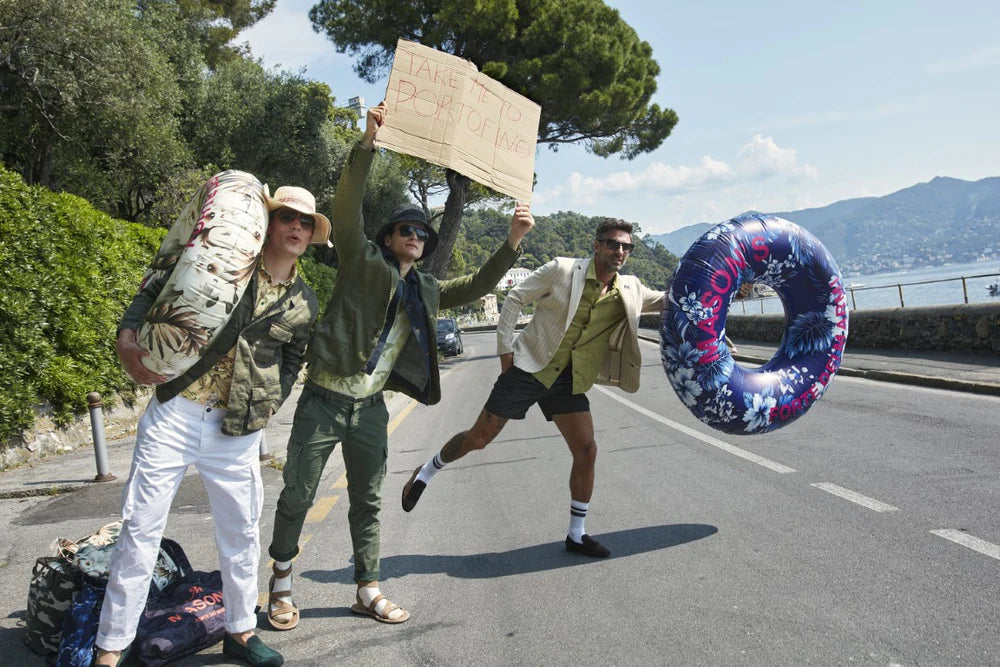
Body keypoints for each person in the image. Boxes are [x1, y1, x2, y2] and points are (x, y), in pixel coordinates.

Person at [266, 101, 534, 628]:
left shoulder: (427, 290)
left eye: (422, 233)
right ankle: (280, 584)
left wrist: (512, 243)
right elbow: (346, 209)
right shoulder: (361, 259)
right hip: (322, 399)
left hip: (369, 410)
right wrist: (367, 144)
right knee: (297, 494)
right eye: (406, 229)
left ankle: (366, 588)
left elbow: (480, 286)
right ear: (389, 238)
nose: (416, 235)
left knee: (367, 500)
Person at [94, 185, 327, 667]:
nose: (297, 228)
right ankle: (110, 647)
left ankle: (240, 634)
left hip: (237, 429)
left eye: (306, 223)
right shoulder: (226, 262)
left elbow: (293, 359)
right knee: (139, 528)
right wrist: (127, 330)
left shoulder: (305, 301)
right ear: (269, 222)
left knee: (241, 533)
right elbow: (160, 283)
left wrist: (268, 404)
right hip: (177, 410)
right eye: (288, 217)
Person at [402, 218, 665, 558]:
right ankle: (426, 470)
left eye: (626, 247)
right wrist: (505, 348)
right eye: (614, 244)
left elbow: (670, 300)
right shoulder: (563, 270)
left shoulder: (629, 288)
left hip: (568, 378)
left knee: (586, 450)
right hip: (529, 368)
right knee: (478, 440)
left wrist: (728, 290)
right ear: (597, 245)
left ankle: (576, 534)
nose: (620, 251)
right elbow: (514, 298)